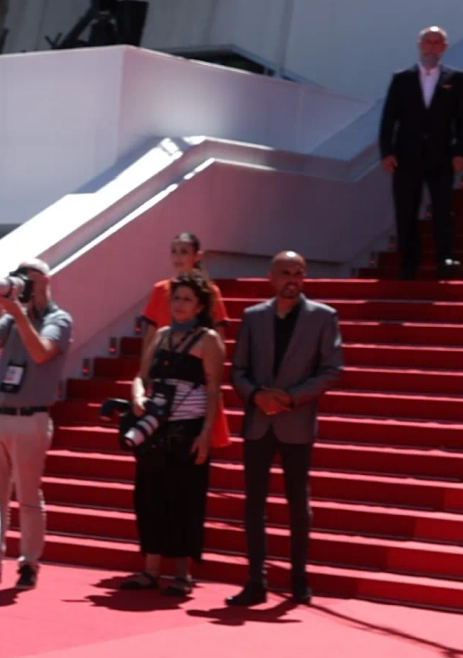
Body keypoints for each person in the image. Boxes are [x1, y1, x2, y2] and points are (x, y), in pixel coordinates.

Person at [225, 250, 344, 607]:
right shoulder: (253, 317)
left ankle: (297, 580)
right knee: (253, 504)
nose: (293, 278)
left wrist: (290, 398)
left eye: (299, 272)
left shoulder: (323, 317)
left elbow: (331, 369)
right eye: (286, 272)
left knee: (297, 503)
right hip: (258, 422)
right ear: (270, 277)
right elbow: (238, 370)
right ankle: (255, 581)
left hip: (296, 421)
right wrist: (257, 396)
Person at [125, 269, 223, 597]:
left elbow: (213, 390)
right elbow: (141, 376)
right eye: (175, 298)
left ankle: (183, 574)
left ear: (199, 306)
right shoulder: (161, 335)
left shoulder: (209, 340)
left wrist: (206, 434)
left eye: (186, 299)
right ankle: (150, 569)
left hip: (187, 428)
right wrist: (138, 396)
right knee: (149, 496)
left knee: (186, 499)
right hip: (154, 427)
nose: (179, 304)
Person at [0, 256, 69, 592]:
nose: (22, 285)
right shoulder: (13, 318)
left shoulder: (59, 319)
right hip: (0, 416)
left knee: (28, 496)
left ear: (44, 281)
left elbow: (42, 352)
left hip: (32, 418)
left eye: (28, 279)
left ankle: (29, 562)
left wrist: (19, 316)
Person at [379, 25, 463, 278]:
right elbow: (389, 118)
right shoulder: (402, 78)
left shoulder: (455, 78)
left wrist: (461, 150)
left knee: (443, 208)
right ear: (420, 45)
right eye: (428, 42)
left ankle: (445, 258)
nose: (432, 47)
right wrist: (386, 152)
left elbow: (462, 119)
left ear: (444, 47)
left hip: (441, 156)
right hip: (407, 156)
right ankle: (409, 261)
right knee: (406, 208)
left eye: (437, 42)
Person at [141, 226, 231, 449]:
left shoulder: (210, 292)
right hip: (164, 363)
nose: (178, 257)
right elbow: (150, 334)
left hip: (194, 368)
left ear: (196, 256)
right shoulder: (159, 289)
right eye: (174, 251)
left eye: (183, 251)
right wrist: (145, 370)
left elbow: (219, 336)